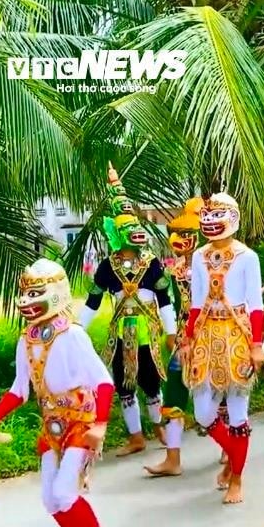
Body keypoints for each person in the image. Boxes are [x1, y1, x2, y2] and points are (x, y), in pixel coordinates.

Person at [0, 259, 114, 527]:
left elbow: (103, 382)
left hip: (81, 420)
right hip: (51, 425)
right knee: (51, 500)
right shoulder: (27, 339)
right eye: (24, 293)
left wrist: (100, 425)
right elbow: (19, 390)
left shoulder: (74, 336)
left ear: (55, 293)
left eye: (34, 293)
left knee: (64, 493)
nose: (25, 302)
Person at [80, 166, 177, 457]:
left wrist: (171, 333)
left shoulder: (153, 263)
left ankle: (158, 425)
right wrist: (74, 330)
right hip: (121, 334)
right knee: (124, 383)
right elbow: (93, 301)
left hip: (148, 332)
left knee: (151, 381)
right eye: (128, 229)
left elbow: (164, 299)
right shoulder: (107, 267)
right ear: (116, 233)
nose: (136, 233)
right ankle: (136, 436)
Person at [182, 192, 264, 504]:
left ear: (232, 218)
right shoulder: (198, 256)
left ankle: (237, 478)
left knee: (238, 412)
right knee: (203, 414)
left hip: (238, 337)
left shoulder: (247, 256)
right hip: (206, 336)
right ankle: (234, 458)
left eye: (218, 215)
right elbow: (195, 303)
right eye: (208, 215)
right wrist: (189, 339)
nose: (211, 222)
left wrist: (256, 345)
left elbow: (255, 306)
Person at [144, 197, 204, 477]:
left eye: (186, 235)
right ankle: (173, 458)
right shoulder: (176, 269)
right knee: (174, 392)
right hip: (184, 337)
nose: (179, 240)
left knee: (220, 394)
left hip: (212, 335)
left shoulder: (213, 263)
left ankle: (231, 454)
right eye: (177, 234)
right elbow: (172, 303)